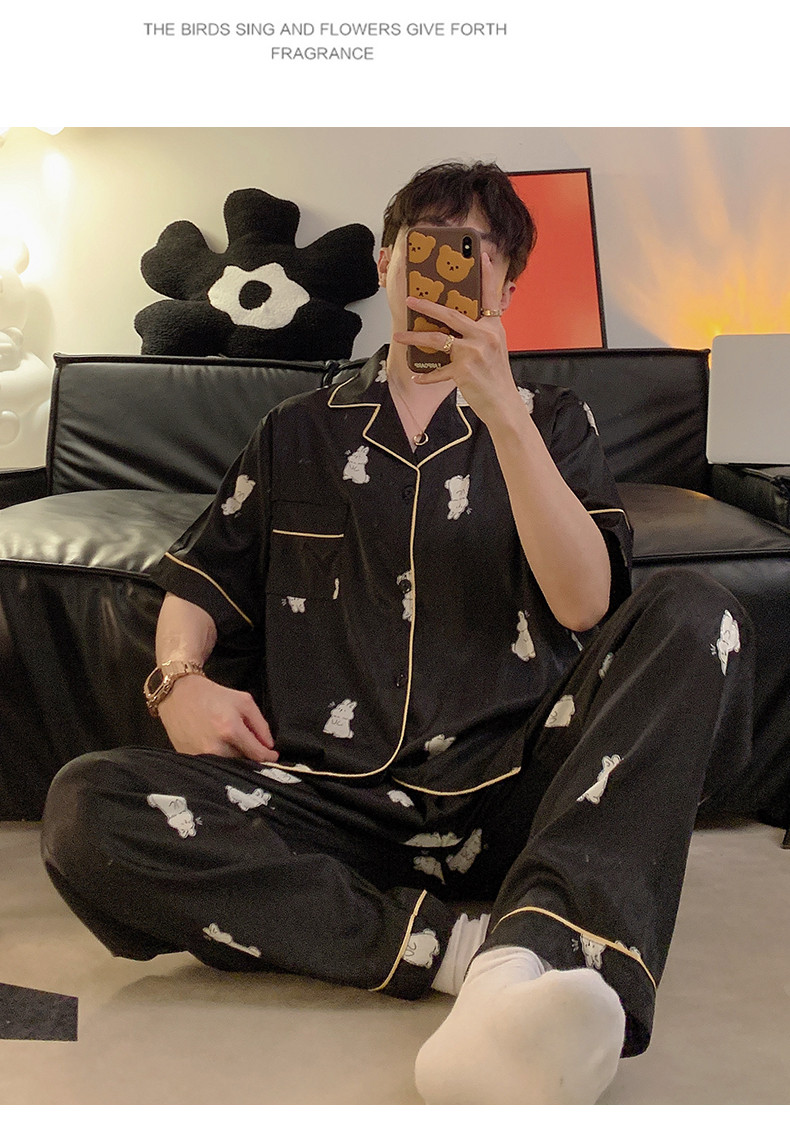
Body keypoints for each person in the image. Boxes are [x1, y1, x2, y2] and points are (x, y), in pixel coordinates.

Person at [40, 161, 754, 1104]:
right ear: (386, 264)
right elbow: (197, 583)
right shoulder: (295, 431)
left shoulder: (552, 421)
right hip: (328, 803)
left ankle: (538, 942)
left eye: (476, 250)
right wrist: (179, 678)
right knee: (87, 807)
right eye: (426, 244)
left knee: (701, 611)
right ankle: (481, 957)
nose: (447, 267)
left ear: (506, 285)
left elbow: (586, 604)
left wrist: (504, 419)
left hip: (519, 787)